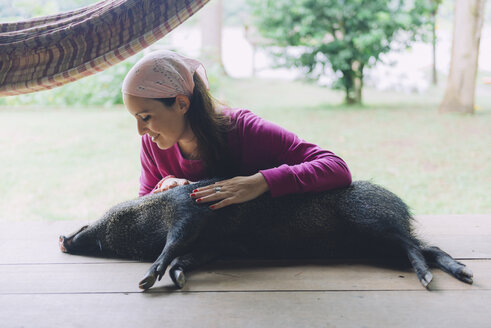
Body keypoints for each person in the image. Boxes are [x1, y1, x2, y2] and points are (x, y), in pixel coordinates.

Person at [121, 50, 352, 210]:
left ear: (182, 104)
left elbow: (336, 167)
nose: (141, 131)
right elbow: (142, 205)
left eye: (145, 117)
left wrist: (259, 182)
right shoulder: (153, 144)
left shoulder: (244, 129)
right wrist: (165, 189)